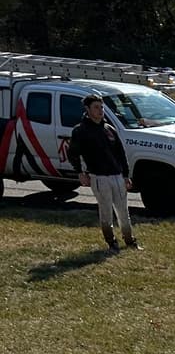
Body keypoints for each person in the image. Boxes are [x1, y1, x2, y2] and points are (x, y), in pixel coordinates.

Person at [68, 94, 138, 251]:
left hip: (117, 175)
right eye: (96, 107)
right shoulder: (80, 130)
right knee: (106, 211)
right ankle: (111, 242)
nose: (100, 111)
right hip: (99, 177)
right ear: (87, 109)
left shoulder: (109, 129)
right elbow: (73, 153)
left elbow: (121, 153)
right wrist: (80, 172)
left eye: (101, 107)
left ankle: (129, 240)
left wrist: (125, 175)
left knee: (123, 210)